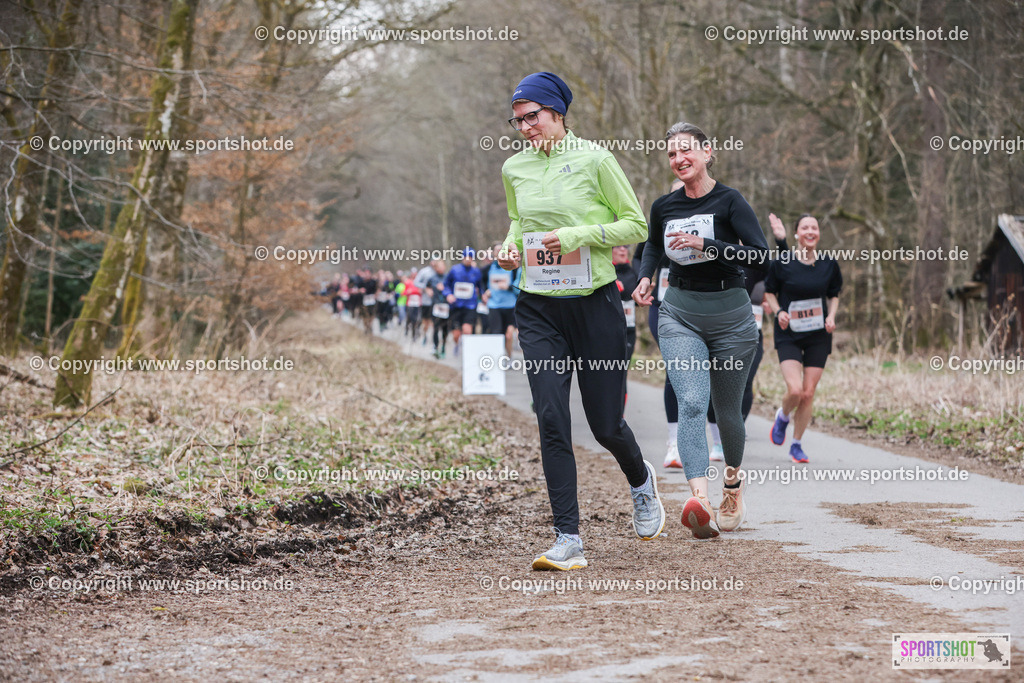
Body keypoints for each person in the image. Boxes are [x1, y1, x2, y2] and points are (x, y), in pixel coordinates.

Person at [499, 71, 664, 571]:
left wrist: (578, 235)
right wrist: (509, 248)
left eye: (534, 117)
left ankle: (641, 483)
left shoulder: (595, 158)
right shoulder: (514, 169)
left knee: (605, 424)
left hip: (594, 303)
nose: (526, 127)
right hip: (538, 306)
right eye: (518, 119)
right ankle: (567, 538)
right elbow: (517, 221)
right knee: (551, 418)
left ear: (558, 113)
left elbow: (635, 223)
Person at [634, 122, 769, 539]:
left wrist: (712, 248)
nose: (678, 160)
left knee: (727, 411)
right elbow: (654, 244)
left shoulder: (730, 201)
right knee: (692, 400)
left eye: (686, 151)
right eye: (672, 154)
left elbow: (761, 258)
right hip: (680, 314)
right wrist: (646, 276)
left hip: (732, 317)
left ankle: (731, 485)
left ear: (708, 152)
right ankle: (699, 499)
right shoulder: (663, 207)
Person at [705, 216, 789, 460]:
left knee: (744, 384)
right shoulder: (717, 258)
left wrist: (782, 241)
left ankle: (735, 430)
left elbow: (784, 268)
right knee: (716, 387)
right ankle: (718, 441)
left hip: (751, 334)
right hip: (718, 332)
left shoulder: (756, 263)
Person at [764, 212, 842, 463]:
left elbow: (834, 294)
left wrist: (831, 317)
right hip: (789, 333)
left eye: (815, 228)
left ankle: (796, 444)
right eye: (805, 227)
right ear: (797, 234)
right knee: (795, 390)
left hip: (818, 334)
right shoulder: (782, 262)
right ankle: (783, 416)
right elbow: (770, 293)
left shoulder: (829, 264)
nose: (810, 232)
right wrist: (779, 312)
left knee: (808, 393)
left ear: (818, 234)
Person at [482, 241, 520, 358]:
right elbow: (480, 284)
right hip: (494, 306)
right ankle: (498, 359)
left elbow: (519, 287)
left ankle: (509, 357)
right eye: (496, 250)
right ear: (493, 253)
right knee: (497, 334)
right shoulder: (487, 269)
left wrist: (508, 287)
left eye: (501, 249)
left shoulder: (514, 268)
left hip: (510, 306)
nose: (499, 252)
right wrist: (484, 293)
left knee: (508, 335)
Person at [613, 245, 638, 405]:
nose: (623, 250)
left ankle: (618, 418)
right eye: (618, 247)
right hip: (606, 331)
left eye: (626, 246)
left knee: (621, 374)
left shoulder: (633, 273)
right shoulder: (605, 272)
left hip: (628, 331)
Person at [443, 249, 482, 355]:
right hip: (456, 305)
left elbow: (481, 286)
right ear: (462, 257)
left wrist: (482, 297)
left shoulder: (476, 272)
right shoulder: (454, 270)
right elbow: (446, 285)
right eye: (466, 257)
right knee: (456, 334)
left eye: (471, 257)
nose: (468, 259)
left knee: (467, 330)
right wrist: (448, 295)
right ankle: (457, 344)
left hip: (470, 305)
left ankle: (467, 352)